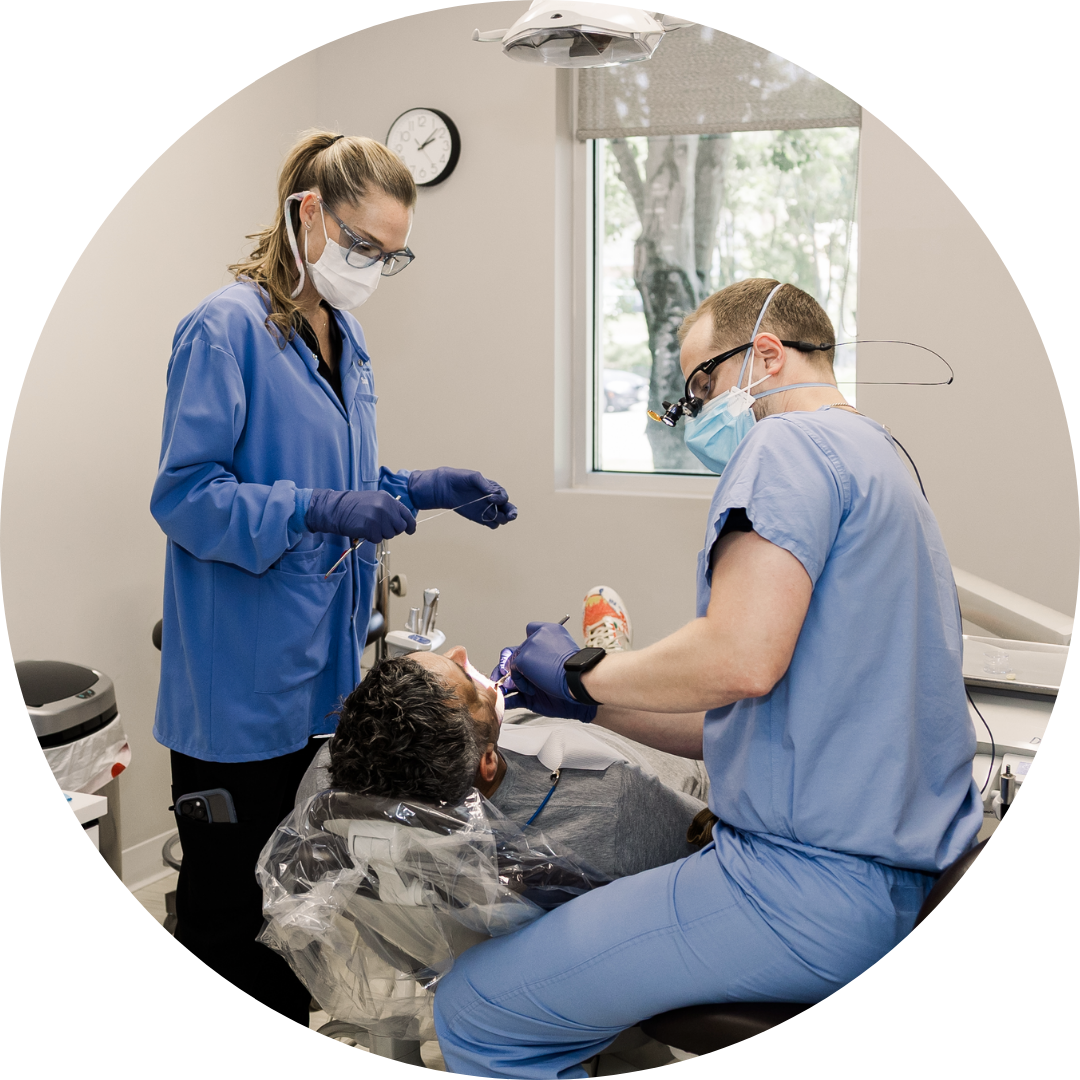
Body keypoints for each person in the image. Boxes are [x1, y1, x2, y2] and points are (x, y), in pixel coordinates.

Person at [431, 279, 984, 1078]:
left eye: (701, 384)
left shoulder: (786, 444)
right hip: (887, 880)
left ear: (765, 355)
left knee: (476, 1007)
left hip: (798, 888)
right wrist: (594, 707)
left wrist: (587, 670)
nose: (694, 411)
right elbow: (755, 709)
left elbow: (739, 658)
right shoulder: (880, 458)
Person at [149, 130, 515, 1026]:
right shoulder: (224, 328)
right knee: (232, 921)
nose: (371, 267)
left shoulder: (342, 336)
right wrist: (316, 510)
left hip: (321, 676)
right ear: (306, 212)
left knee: (297, 910)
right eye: (361, 246)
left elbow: (344, 491)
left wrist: (423, 489)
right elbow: (188, 497)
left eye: (390, 256)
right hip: (238, 688)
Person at [295, 639, 709, 880]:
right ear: (487, 763)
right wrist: (590, 692)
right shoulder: (611, 803)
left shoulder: (326, 788)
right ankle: (614, 649)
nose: (460, 652)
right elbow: (707, 843)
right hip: (670, 761)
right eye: (470, 689)